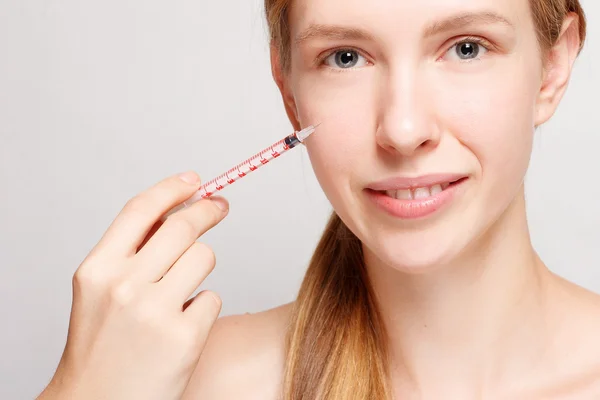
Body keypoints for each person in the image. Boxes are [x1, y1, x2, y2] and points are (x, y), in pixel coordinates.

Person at [38, 0, 598, 398]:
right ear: (290, 92)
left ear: (553, 67)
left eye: (467, 48)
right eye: (345, 58)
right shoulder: (185, 384)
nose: (402, 130)